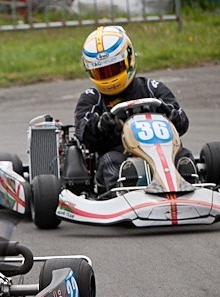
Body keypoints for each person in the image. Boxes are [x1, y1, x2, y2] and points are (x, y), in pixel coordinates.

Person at [74, 25, 194, 191]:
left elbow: (182, 122)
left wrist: (173, 116)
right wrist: (100, 126)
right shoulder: (92, 98)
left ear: (128, 59)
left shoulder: (152, 88)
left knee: (184, 156)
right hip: (119, 155)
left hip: (163, 152)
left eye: (113, 69)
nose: (109, 77)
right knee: (111, 162)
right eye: (102, 72)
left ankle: (190, 188)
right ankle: (120, 196)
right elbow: (82, 133)